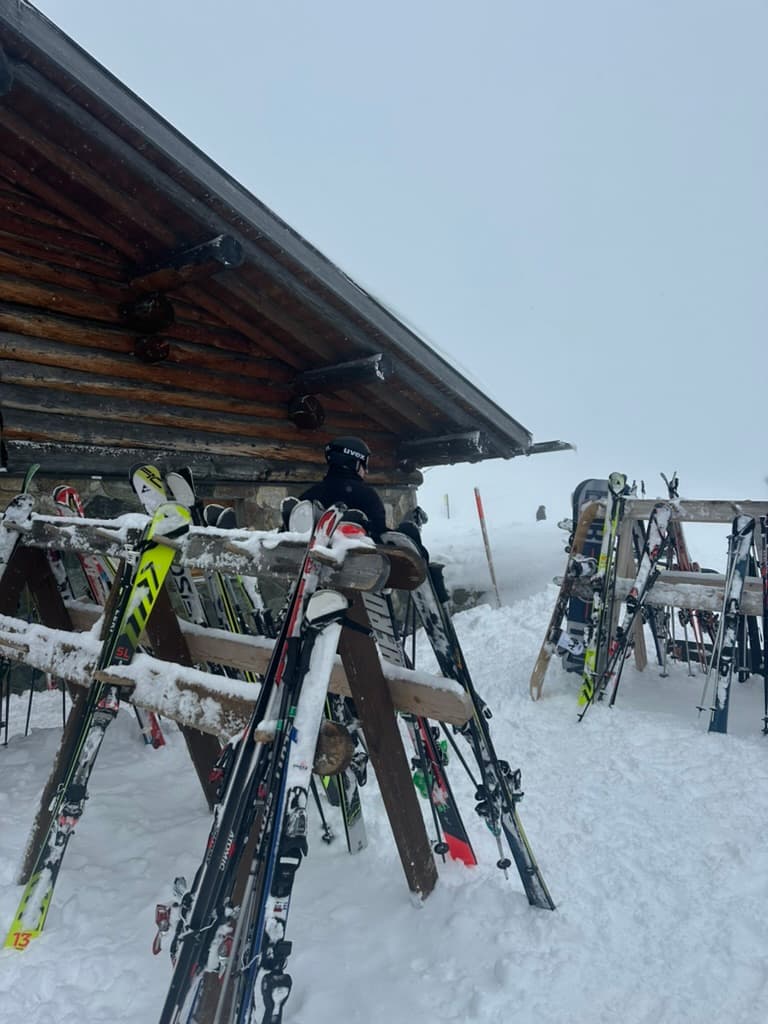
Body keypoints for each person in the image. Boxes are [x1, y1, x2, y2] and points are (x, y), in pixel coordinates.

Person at [299, 436, 388, 541]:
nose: (366, 471)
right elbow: (380, 535)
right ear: (355, 463)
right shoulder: (368, 496)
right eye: (365, 464)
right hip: (357, 556)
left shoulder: (310, 495)